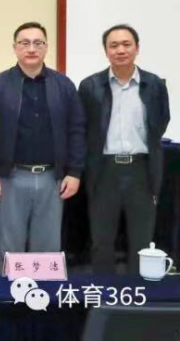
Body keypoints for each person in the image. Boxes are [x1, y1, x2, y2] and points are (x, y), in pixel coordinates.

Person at [0, 22, 85, 270]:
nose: (31, 48)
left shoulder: (64, 86)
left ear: (46, 47)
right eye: (24, 43)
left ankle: (44, 295)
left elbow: (77, 129)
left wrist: (74, 172)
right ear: (15, 48)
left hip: (52, 179)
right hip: (10, 178)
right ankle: (9, 295)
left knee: (47, 251)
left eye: (38, 43)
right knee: (10, 249)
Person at [79, 24, 170, 274]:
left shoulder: (154, 84)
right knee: (101, 241)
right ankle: (104, 292)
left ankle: (138, 293)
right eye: (114, 45)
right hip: (104, 170)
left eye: (126, 44)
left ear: (137, 48)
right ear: (106, 51)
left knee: (142, 240)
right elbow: (83, 127)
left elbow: (161, 121)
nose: (120, 50)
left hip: (141, 169)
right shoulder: (90, 86)